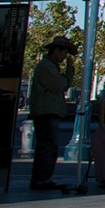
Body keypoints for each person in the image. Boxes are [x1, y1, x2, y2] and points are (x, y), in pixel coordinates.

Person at [28, 36, 77, 190]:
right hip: (45, 111)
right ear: (56, 50)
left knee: (48, 146)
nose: (64, 57)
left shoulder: (52, 67)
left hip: (50, 110)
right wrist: (68, 74)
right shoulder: (46, 67)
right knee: (48, 146)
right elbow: (59, 85)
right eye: (64, 53)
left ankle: (43, 178)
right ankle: (41, 179)